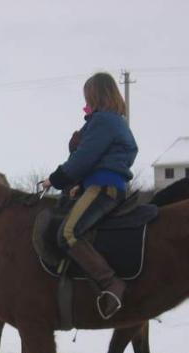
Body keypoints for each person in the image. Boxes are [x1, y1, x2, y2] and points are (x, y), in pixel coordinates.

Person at [41, 72, 138, 319]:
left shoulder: (103, 121)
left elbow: (83, 159)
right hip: (102, 183)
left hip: (104, 187)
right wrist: (81, 186)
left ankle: (111, 283)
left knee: (68, 232)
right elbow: (102, 160)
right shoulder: (116, 121)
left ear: (96, 94)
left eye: (88, 96)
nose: (86, 101)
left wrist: (55, 179)